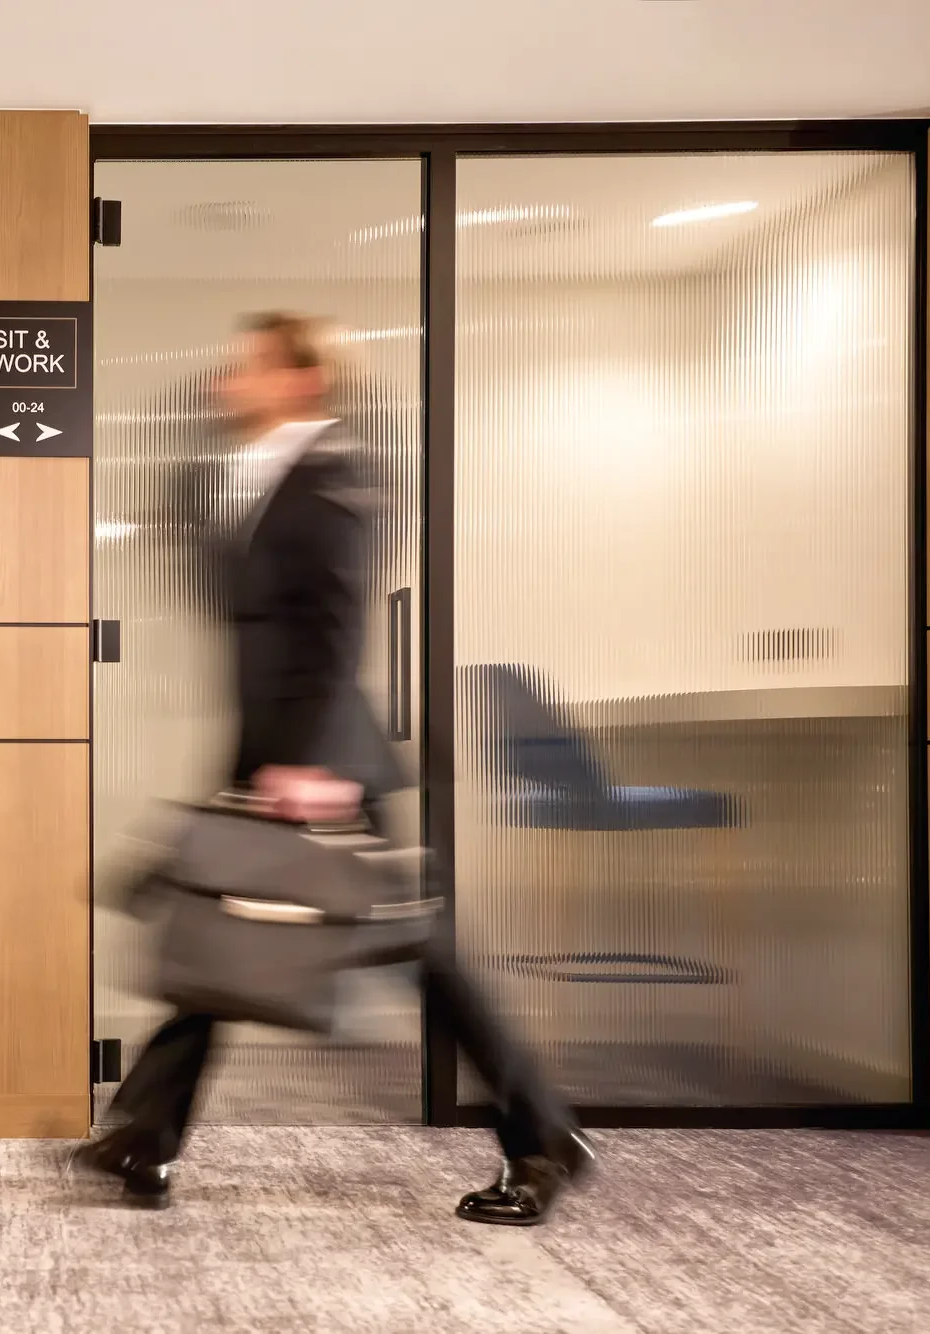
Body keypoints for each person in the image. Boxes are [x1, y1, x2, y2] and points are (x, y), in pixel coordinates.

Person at [75, 313, 596, 1225]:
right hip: (277, 748)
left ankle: (543, 1136)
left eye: (247, 370)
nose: (224, 385)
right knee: (232, 924)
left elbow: (336, 626)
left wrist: (311, 763)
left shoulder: (335, 479)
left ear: (301, 381)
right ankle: (141, 1135)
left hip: (320, 757)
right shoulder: (260, 475)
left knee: (405, 950)